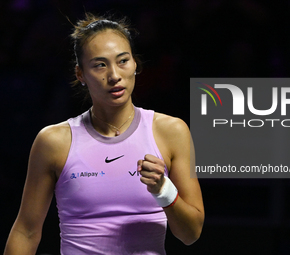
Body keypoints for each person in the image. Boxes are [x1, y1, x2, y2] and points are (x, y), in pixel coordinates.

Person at [4, 13, 204, 255]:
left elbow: (191, 234)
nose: (114, 75)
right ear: (80, 75)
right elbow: (26, 231)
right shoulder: (54, 141)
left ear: (135, 65)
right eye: (100, 64)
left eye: (122, 61)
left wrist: (164, 190)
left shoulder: (172, 131)